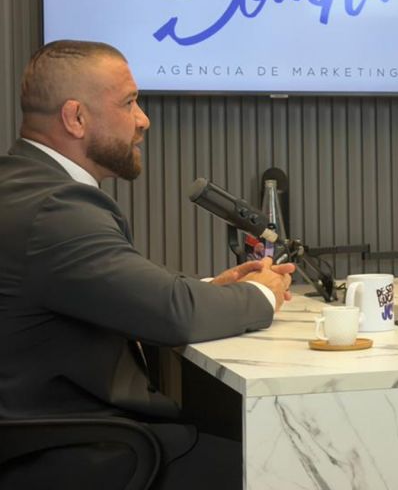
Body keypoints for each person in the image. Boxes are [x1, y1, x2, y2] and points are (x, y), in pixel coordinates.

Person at [0, 40, 295, 488]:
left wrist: (211, 291)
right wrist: (262, 292)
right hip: (78, 454)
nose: (143, 120)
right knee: (292, 466)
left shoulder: (22, 184)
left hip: (37, 442)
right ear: (75, 118)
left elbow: (120, 291)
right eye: (129, 103)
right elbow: (174, 314)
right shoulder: (56, 207)